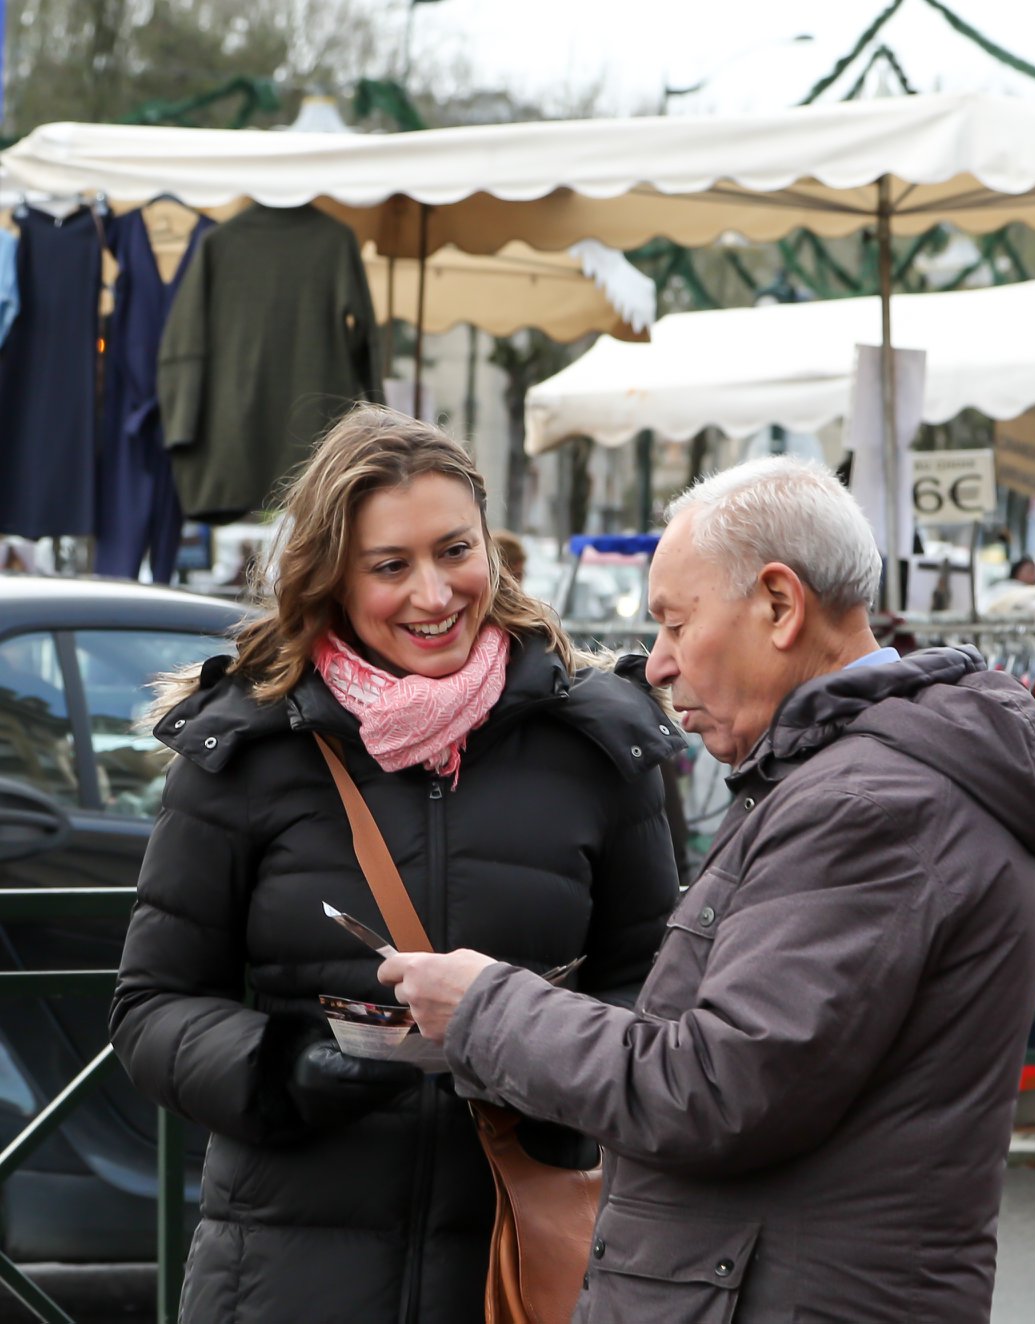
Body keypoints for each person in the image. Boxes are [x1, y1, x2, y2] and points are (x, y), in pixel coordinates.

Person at [376, 456, 1035, 1323]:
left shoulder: (866, 804)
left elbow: (714, 1089)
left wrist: (484, 1005)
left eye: (674, 621)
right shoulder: (854, 781)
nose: (657, 664)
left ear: (779, 606)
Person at [110, 404, 682, 1324]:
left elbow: (657, 991)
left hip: (515, 1261)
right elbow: (149, 1007)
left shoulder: (598, 749)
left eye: (454, 550)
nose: (433, 593)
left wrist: (537, 1057)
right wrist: (277, 1068)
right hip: (284, 1274)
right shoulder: (245, 750)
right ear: (333, 577)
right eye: (390, 566)